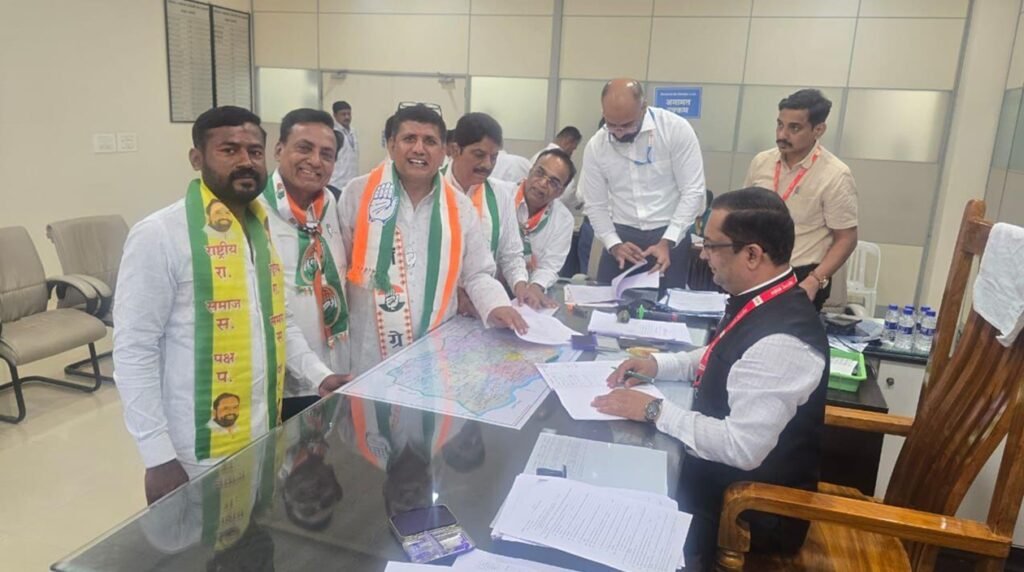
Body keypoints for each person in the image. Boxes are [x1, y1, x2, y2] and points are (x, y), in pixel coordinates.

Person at [113, 106, 350, 504]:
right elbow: (134, 350)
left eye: (254, 152)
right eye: (229, 150)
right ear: (197, 158)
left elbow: (279, 322)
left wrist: (319, 376)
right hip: (193, 447)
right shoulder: (160, 234)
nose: (245, 161)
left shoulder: (258, 229)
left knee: (255, 533)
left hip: (262, 432)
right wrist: (157, 456)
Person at [593, 187, 829, 567]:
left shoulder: (784, 341)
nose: (702, 255)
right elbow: (725, 354)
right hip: (716, 477)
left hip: (748, 510)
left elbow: (741, 447)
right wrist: (658, 365)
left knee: (612, 516)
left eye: (712, 246)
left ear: (752, 254)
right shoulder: (767, 298)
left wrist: (654, 410)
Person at [337, 104, 527, 376]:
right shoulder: (358, 193)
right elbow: (340, 265)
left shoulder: (460, 207)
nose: (419, 149)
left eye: (429, 141)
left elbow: (477, 272)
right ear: (391, 145)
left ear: (444, 151)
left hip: (434, 348)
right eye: (409, 139)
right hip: (369, 349)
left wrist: (496, 304)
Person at [260, 108, 352, 421]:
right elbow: (269, 310)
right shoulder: (253, 211)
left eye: (326, 154)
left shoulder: (331, 204)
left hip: (333, 374)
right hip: (282, 385)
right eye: (304, 148)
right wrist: (315, 373)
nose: (315, 161)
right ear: (278, 150)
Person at [583, 78, 706, 288]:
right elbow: (595, 205)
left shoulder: (675, 129)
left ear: (643, 107)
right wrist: (614, 244)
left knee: (667, 304)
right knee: (607, 302)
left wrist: (668, 240)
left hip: (670, 234)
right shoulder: (597, 145)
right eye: (612, 124)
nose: (619, 132)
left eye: (627, 125)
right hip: (622, 237)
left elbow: (693, 191)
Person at [743, 89, 858, 311]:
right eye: (780, 125)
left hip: (801, 276)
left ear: (818, 130)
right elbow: (743, 214)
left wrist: (815, 280)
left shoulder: (835, 175)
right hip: (756, 270)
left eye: (794, 128)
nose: (782, 134)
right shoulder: (761, 162)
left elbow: (846, 238)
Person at [443, 112, 546, 309]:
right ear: (455, 150)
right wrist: (454, 295)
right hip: (437, 304)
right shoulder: (431, 190)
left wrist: (520, 285)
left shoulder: (500, 195)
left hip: (481, 303)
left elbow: (511, 254)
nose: (487, 165)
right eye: (479, 155)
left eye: (494, 157)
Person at [514, 148, 577, 291]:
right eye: (539, 173)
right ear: (530, 171)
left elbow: (550, 266)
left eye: (553, 182)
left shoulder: (564, 219)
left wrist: (535, 288)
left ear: (561, 192)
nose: (543, 183)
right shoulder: (501, 197)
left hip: (529, 288)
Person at [329, 100, 359, 191]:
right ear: (335, 115)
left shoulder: (353, 132)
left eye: (349, 114)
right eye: (343, 114)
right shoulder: (332, 133)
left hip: (351, 183)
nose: (347, 117)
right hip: (335, 183)